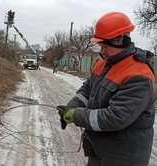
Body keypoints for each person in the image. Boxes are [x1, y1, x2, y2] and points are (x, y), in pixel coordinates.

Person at [57, 12, 156, 166]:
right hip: (100, 151)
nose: (101, 51)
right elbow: (88, 89)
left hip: (124, 157)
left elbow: (115, 117)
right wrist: (72, 106)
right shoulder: (104, 62)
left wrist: (76, 115)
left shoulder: (139, 76)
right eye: (100, 46)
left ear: (120, 41)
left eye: (105, 46)